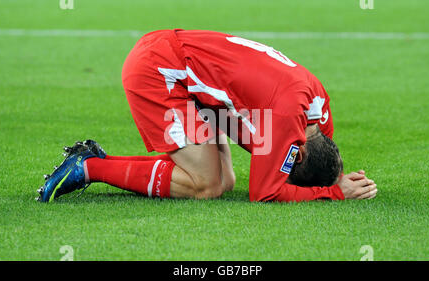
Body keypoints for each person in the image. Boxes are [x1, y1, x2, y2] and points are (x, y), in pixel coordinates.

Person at [36, 29, 377, 203]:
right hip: (159, 71)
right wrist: (335, 194)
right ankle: (88, 167)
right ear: (298, 150)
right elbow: (264, 192)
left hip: (191, 79)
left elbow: (320, 151)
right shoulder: (287, 117)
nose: (283, 166)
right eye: (289, 165)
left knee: (225, 181)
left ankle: (95, 162)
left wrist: (339, 178)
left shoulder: (318, 106)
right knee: (206, 185)